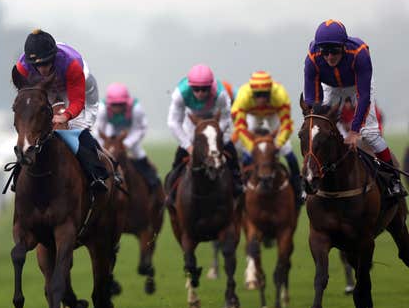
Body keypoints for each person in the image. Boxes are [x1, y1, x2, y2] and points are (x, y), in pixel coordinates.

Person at [304, 19, 406, 197]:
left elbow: (364, 96)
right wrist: (316, 118)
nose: (329, 57)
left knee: (371, 135)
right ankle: (310, 177)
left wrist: (354, 131)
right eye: (325, 52)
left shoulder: (360, 53)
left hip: (357, 86)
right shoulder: (312, 57)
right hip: (331, 87)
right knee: (318, 131)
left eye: (334, 51)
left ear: (344, 47)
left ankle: (393, 180)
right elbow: (313, 97)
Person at [12, 29, 108, 192]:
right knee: (35, 128)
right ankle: (18, 175)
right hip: (46, 89)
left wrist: (66, 116)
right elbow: (24, 96)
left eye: (46, 63)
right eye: (37, 65)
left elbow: (77, 102)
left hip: (78, 91)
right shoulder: (22, 68)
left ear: (54, 57)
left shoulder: (72, 65)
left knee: (74, 130)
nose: (42, 69)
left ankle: (96, 174)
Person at [166, 64, 243, 197]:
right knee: (179, 156)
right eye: (196, 89)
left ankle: (237, 183)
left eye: (204, 89)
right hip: (192, 122)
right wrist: (189, 147)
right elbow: (173, 123)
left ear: (211, 86)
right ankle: (172, 191)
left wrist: (216, 134)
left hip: (215, 121)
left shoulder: (221, 94)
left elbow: (226, 118)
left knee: (230, 149)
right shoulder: (180, 94)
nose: (200, 93)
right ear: (190, 87)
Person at [232, 70, 304, 207]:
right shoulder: (243, 96)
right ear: (252, 92)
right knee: (243, 154)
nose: (261, 99)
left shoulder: (280, 95)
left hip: (273, 116)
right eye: (258, 95)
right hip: (252, 116)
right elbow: (240, 128)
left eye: (265, 94)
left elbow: (286, 125)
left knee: (289, 155)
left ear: (271, 91)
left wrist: (278, 144)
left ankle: (298, 189)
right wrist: (251, 147)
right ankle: (238, 188)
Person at [95, 82, 159, 190]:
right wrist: (104, 145)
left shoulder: (136, 108)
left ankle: (152, 180)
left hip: (129, 131)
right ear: (109, 104)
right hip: (111, 130)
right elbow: (99, 130)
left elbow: (140, 128)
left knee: (138, 153)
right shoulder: (102, 108)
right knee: (100, 153)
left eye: (121, 104)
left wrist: (126, 143)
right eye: (114, 105)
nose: (118, 108)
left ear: (126, 103)